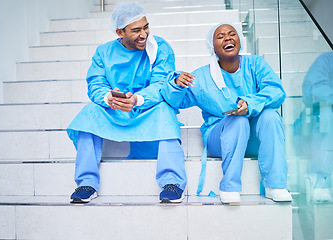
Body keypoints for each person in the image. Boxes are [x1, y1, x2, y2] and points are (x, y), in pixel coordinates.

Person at [67, 2, 187, 204]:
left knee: (165, 111)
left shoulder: (160, 48)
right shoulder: (103, 52)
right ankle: (86, 182)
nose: (144, 35)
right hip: (115, 110)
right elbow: (95, 83)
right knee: (89, 113)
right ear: (119, 32)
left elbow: (161, 84)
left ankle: (172, 182)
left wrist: (138, 99)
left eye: (146, 27)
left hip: (146, 108)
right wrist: (108, 97)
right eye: (136, 30)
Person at [161, 23, 292, 203]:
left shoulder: (256, 65)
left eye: (232, 34)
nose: (228, 38)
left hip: (252, 137)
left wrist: (251, 103)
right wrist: (176, 84)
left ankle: (275, 185)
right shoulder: (201, 78)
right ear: (212, 47)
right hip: (220, 139)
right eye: (221, 36)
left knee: (271, 116)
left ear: (239, 41)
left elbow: (277, 92)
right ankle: (229, 186)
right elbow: (175, 102)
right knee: (237, 121)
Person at [301, 51, 333, 202]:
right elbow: (312, 91)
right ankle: (320, 182)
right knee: (326, 114)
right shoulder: (327, 60)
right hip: (318, 119)